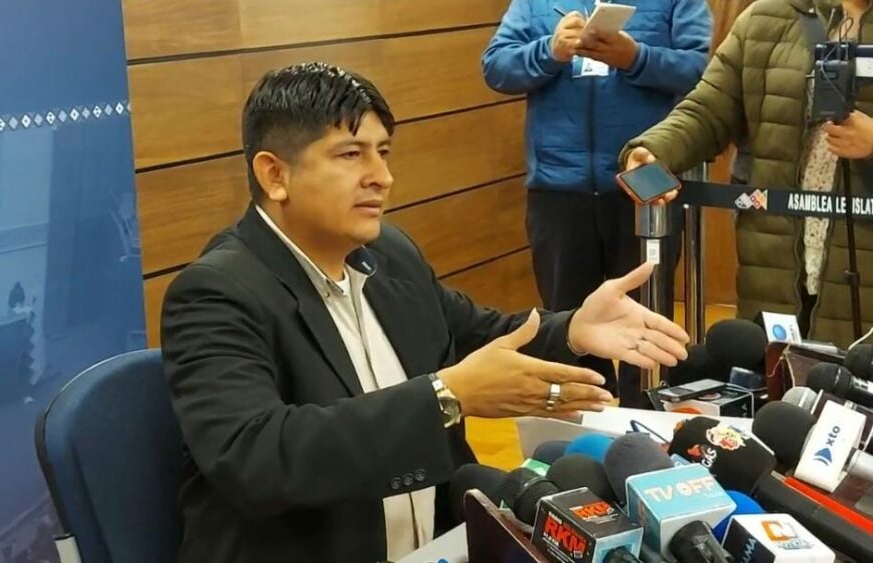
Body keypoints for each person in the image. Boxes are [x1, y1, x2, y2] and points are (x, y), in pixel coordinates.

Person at [161, 62, 691, 563]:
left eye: (383, 152)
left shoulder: (389, 253)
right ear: (275, 174)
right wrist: (446, 397)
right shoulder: (216, 292)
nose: (382, 177)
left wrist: (572, 329)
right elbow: (257, 456)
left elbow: (478, 336)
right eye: (351, 155)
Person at [481, 0, 711, 406]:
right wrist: (550, 51)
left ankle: (647, 424)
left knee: (646, 320)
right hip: (557, 186)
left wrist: (635, 58)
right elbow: (496, 67)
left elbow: (700, 72)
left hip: (643, 182)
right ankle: (582, 428)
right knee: (568, 324)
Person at [622, 0, 873, 346]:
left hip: (863, 271)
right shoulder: (765, 17)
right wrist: (656, 150)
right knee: (774, 375)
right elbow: (708, 109)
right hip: (773, 263)